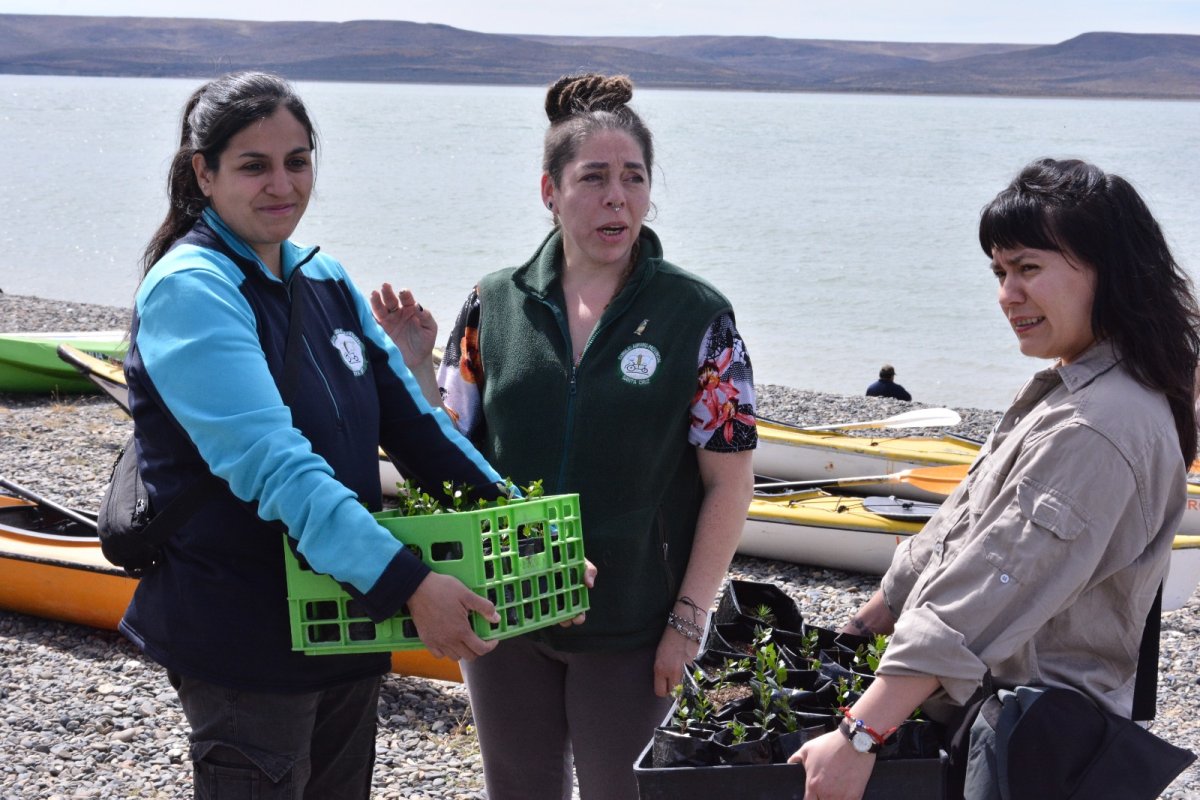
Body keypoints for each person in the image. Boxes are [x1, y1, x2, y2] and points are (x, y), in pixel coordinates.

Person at [119, 71, 513, 799]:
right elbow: (277, 466)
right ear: (204, 173)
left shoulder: (324, 277)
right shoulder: (191, 289)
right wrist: (409, 583)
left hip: (346, 620)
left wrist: (520, 525)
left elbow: (416, 426)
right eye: (254, 165)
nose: (282, 185)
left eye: (297, 161)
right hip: (247, 636)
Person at [372, 72, 757, 800]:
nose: (618, 197)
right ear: (549, 191)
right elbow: (446, 453)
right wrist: (417, 369)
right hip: (504, 612)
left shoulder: (698, 316)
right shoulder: (494, 302)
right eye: (594, 178)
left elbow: (730, 482)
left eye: (634, 177)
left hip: (633, 625)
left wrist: (688, 620)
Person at [792, 158, 1199, 799]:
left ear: (1109, 270)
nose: (1007, 294)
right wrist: (867, 623)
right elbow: (963, 527)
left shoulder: (1099, 425)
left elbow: (990, 588)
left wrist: (860, 735)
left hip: (1027, 747)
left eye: (1028, 268)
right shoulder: (1071, 389)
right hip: (986, 718)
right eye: (1000, 273)